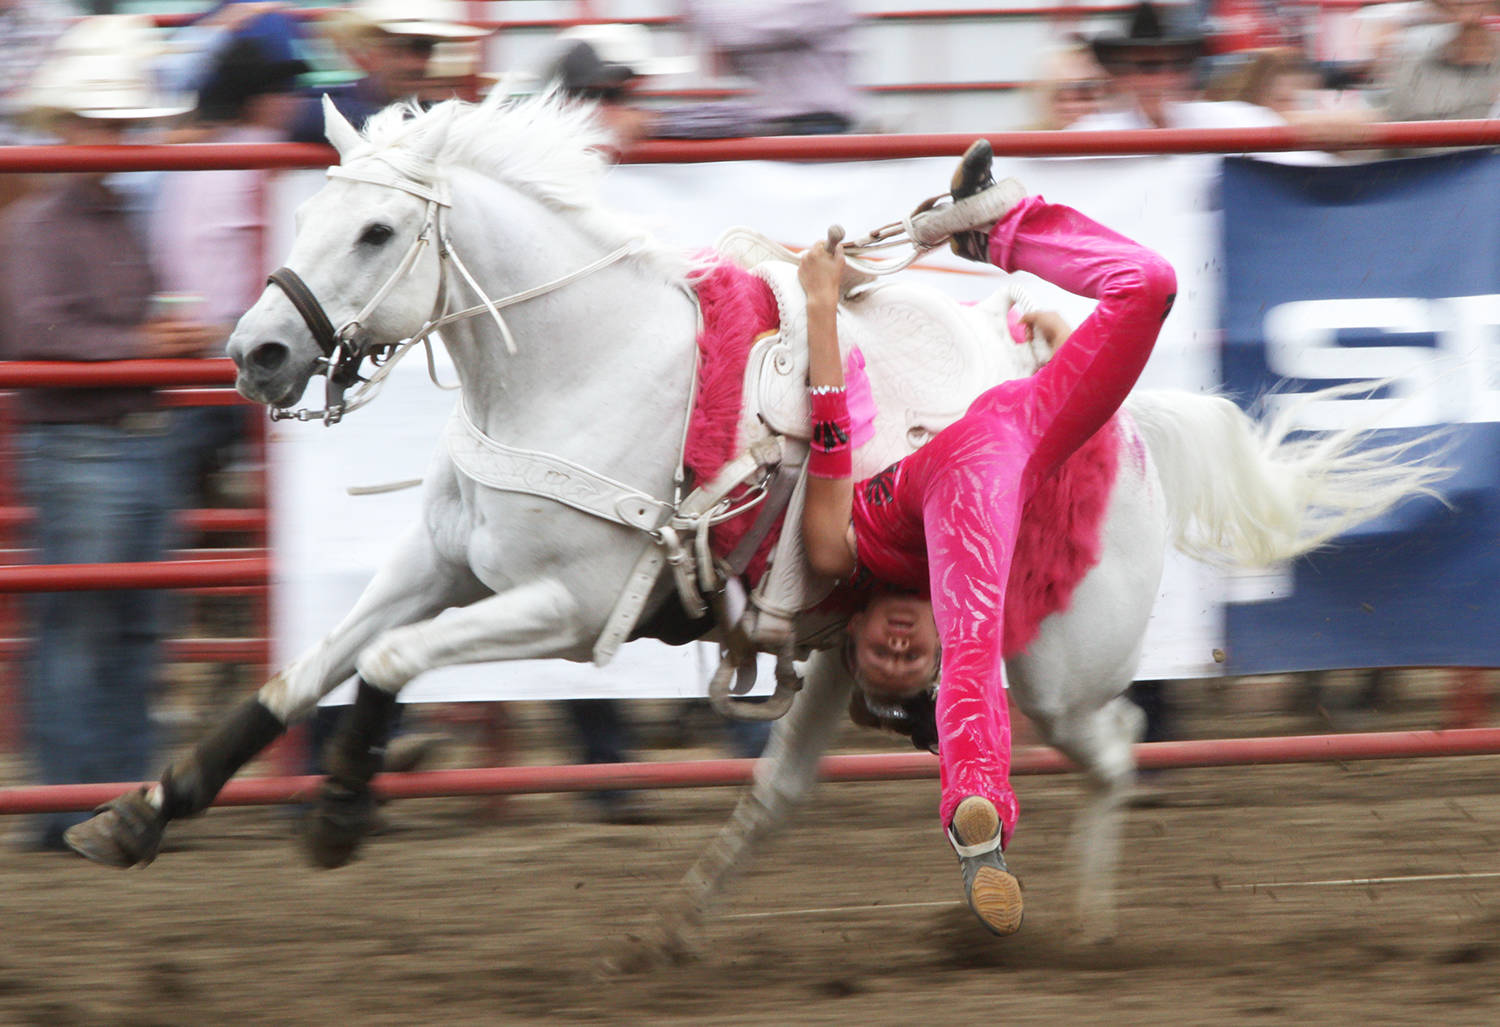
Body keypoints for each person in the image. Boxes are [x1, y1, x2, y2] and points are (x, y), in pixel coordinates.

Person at [796, 139, 1176, 935]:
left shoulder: (838, 554)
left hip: (1022, 424)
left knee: (1150, 285)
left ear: (853, 635)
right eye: (909, 663)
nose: (898, 645)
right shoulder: (962, 604)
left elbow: (832, 430)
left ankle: (992, 230)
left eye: (880, 658)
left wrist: (824, 306)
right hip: (1002, 464)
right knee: (979, 642)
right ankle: (979, 822)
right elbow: (967, 653)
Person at [0, 29, 214, 852]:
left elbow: (56, 327)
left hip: (115, 437)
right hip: (89, 438)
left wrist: (162, 337)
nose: (118, 141)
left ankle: (101, 798)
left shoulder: (90, 213)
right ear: (67, 127)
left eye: (123, 127)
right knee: (93, 627)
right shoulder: (44, 221)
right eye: (105, 125)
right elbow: (37, 330)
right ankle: (74, 802)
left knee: (124, 624)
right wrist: (147, 345)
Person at [288, 0, 491, 143]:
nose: (415, 64)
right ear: (373, 50)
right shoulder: (323, 108)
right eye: (400, 47)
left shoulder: (440, 111)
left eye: (424, 47)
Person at [667, 0, 859, 137]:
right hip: (794, 124)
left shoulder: (813, 5)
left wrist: (698, 9)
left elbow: (738, 31)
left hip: (812, 125)